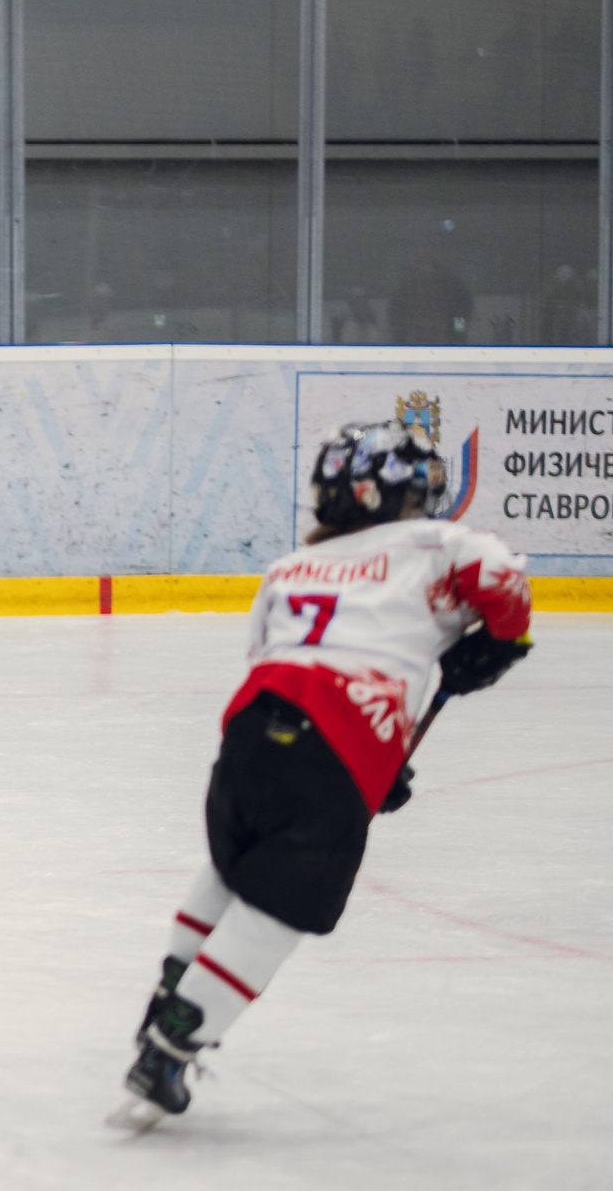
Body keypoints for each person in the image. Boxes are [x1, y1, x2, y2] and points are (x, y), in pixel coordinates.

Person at [112, 419, 533, 1128]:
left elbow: (273, 653)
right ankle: (170, 1043)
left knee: (233, 862)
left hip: (248, 735)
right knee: (282, 905)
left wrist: (373, 758)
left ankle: (169, 990)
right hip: (334, 745)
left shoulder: (288, 568)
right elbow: (500, 577)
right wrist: (501, 640)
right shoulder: (435, 543)